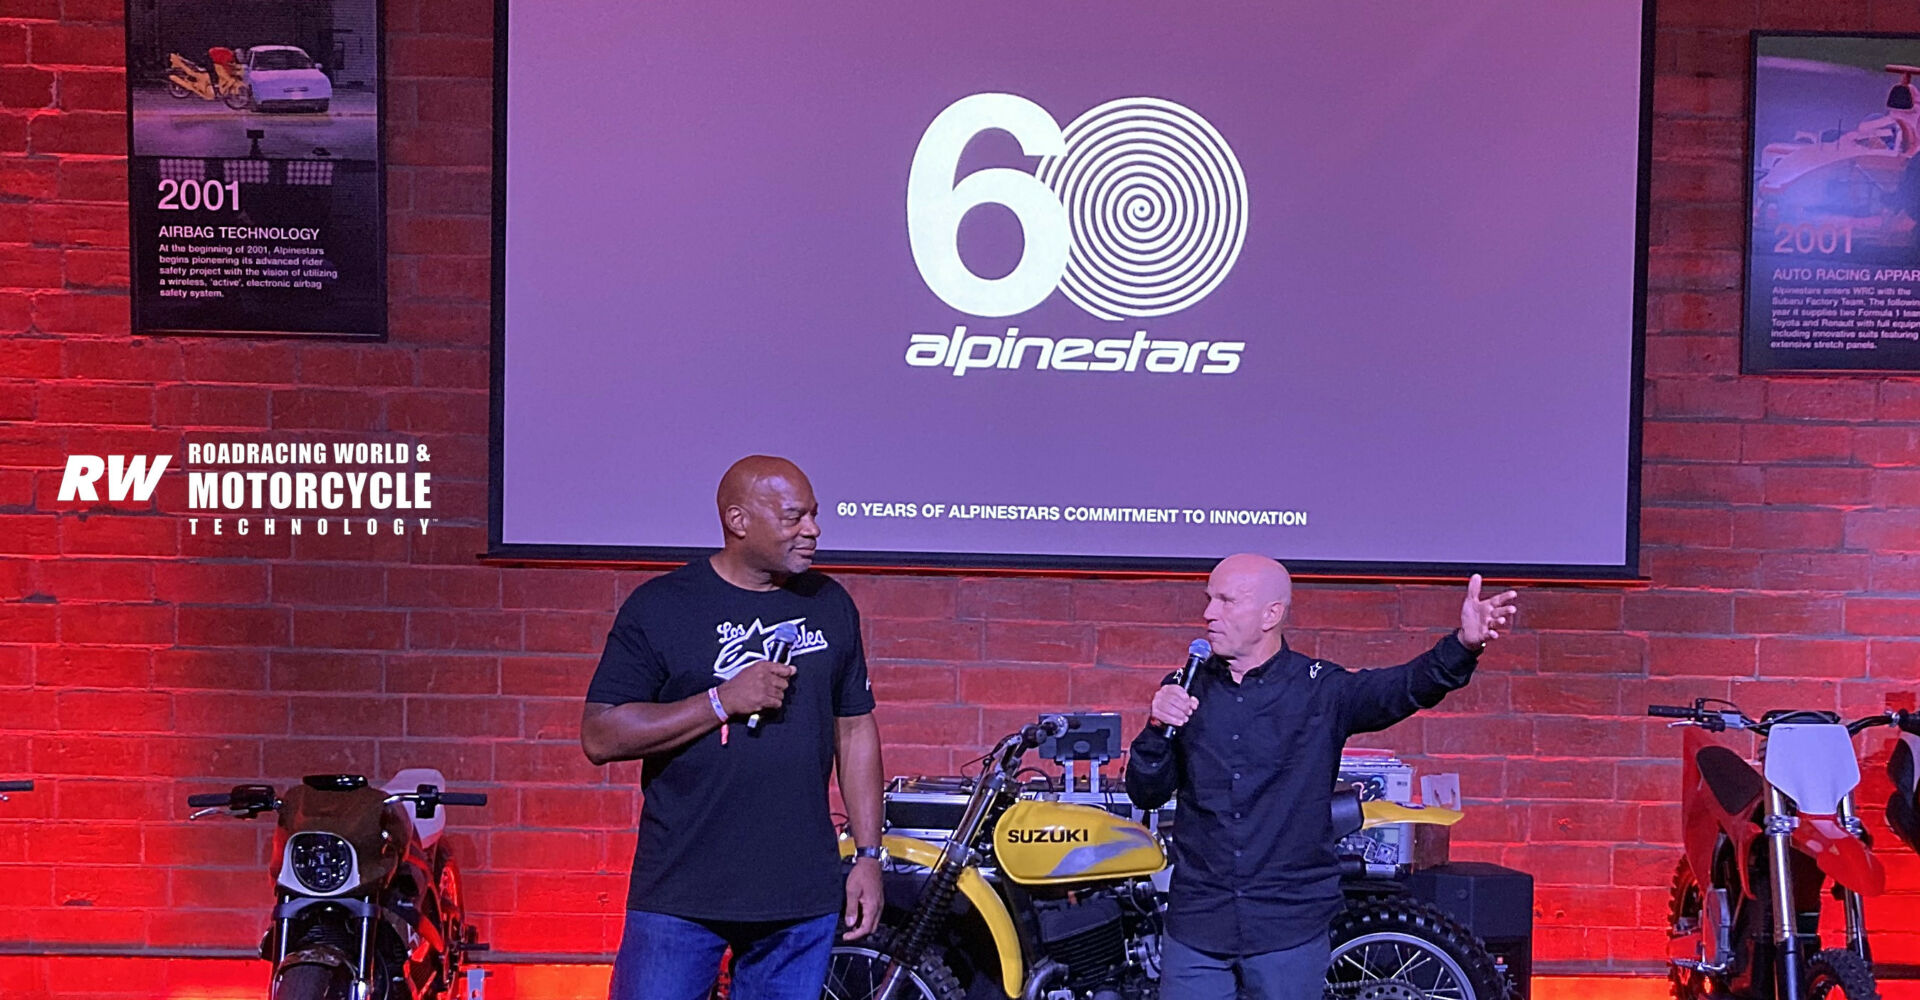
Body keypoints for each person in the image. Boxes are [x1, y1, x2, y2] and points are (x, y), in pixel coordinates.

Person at [1125, 553, 1516, 1000]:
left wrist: (1463, 644)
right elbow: (1147, 792)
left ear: (1271, 614)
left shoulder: (1319, 689)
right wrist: (1156, 728)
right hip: (1198, 925)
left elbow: (1402, 687)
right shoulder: (1186, 685)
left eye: (1227, 601)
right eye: (1209, 599)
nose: (1209, 613)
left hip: (1288, 928)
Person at [581, 456, 885, 1000]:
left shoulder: (830, 604)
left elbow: (856, 730)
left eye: (814, 516)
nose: (813, 530)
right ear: (738, 520)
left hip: (799, 897)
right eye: (795, 517)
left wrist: (867, 855)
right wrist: (720, 701)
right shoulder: (663, 607)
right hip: (679, 893)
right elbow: (601, 735)